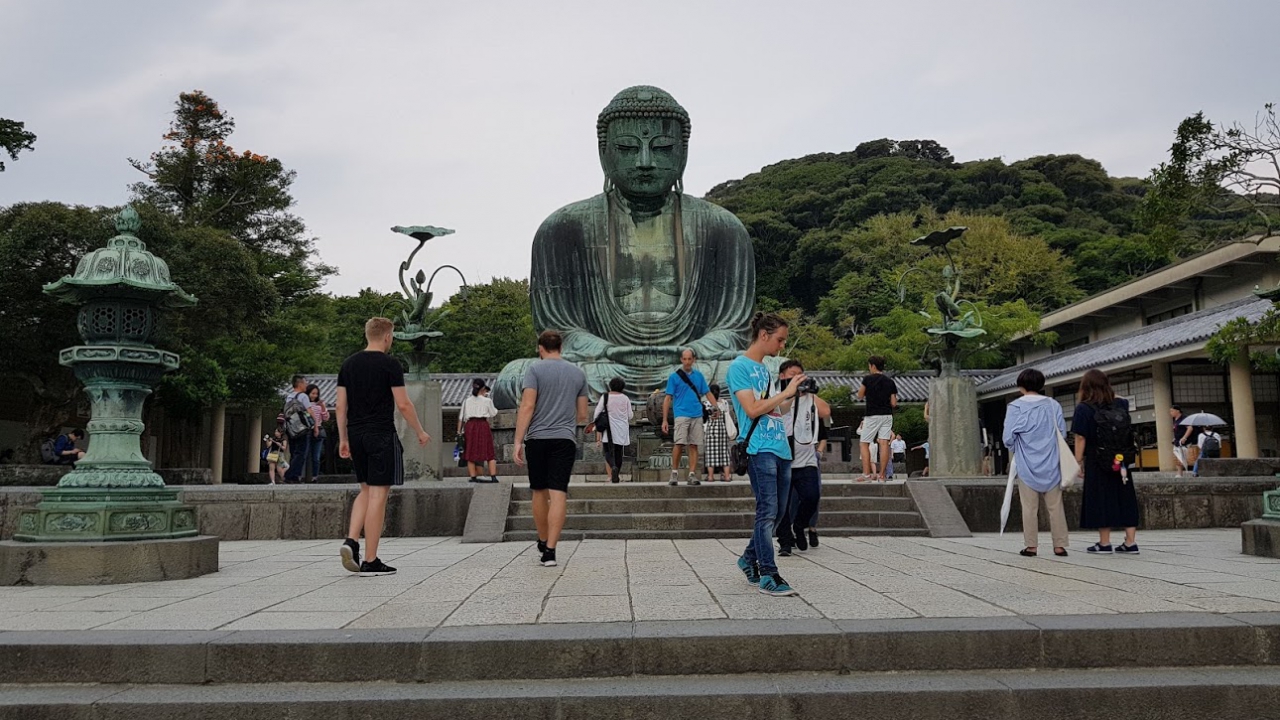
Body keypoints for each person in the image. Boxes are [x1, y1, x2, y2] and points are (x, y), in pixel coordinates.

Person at [337, 317, 432, 577]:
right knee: (379, 494)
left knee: (365, 489)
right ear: (388, 337)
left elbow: (340, 406)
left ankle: (351, 540)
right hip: (380, 433)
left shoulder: (348, 364)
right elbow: (403, 404)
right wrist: (420, 431)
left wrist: (343, 438)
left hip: (356, 433)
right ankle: (370, 559)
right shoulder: (390, 364)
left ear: (367, 334)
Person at [728, 312, 803, 597]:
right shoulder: (739, 367)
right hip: (759, 448)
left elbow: (776, 409)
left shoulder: (766, 370)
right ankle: (769, 574)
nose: (782, 346)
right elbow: (752, 409)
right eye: (779, 340)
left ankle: (748, 559)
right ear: (763, 335)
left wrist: (792, 393)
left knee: (779, 512)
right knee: (768, 511)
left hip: (780, 445)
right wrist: (784, 393)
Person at [513, 330, 590, 567]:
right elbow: (582, 414)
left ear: (540, 348)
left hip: (537, 438)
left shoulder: (534, 370)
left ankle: (543, 538)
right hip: (564, 439)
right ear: (561, 347)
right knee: (558, 493)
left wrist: (518, 441)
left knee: (539, 491)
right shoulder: (578, 373)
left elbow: (527, 406)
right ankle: (551, 551)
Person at [1003, 369, 1070, 558]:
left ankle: (1031, 546)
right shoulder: (1053, 405)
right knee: (1055, 506)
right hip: (1051, 461)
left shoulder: (1015, 407)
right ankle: (1060, 545)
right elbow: (1062, 433)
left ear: (1020, 386)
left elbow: (1008, 437)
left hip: (1026, 462)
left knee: (1029, 507)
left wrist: (1017, 447)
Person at [1072, 368, 1140, 555]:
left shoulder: (1084, 408)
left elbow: (1080, 437)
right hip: (1121, 458)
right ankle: (1130, 542)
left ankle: (1104, 543)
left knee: (1101, 497)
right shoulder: (1122, 403)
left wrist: (1078, 461)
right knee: (1125, 496)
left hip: (1097, 458)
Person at [775, 360, 831, 556]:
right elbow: (776, 410)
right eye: (793, 374)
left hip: (806, 459)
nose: (797, 378)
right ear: (782, 376)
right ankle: (785, 542)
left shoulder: (808, 397)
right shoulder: (777, 394)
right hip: (782, 458)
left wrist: (808, 391)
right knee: (782, 504)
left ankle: (800, 525)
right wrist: (790, 393)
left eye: (800, 374)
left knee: (811, 497)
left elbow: (826, 411)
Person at [662, 349, 715, 486]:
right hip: (681, 414)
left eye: (689, 359)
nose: (687, 362)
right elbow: (667, 398)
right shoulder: (674, 377)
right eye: (684, 359)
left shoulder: (699, 376)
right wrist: (664, 419)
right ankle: (674, 472)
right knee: (679, 443)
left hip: (696, 413)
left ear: (693, 360)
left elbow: (707, 392)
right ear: (681, 360)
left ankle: (691, 474)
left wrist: (716, 407)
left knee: (694, 444)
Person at [856, 356, 898, 481]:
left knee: (864, 443)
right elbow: (894, 403)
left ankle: (866, 474)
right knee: (884, 443)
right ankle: (882, 474)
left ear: (873, 366)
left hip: (872, 415)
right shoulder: (890, 382)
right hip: (887, 415)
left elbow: (860, 395)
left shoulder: (867, 379)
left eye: (869, 366)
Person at [589, 377, 634, 484]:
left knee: (608, 452)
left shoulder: (605, 397)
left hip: (608, 429)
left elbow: (597, 413)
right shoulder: (625, 398)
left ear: (610, 386)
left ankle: (613, 466)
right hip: (621, 430)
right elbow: (630, 415)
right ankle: (616, 474)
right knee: (618, 452)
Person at [459, 379, 500, 483]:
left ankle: (473, 476)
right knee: (489, 451)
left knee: (470, 451)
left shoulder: (466, 401)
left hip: (470, 426)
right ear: (483, 388)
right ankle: (493, 476)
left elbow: (461, 418)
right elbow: (493, 413)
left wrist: (459, 432)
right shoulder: (487, 401)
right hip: (482, 425)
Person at [702, 383, 736, 482]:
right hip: (722, 430)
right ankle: (727, 476)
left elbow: (704, 419)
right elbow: (727, 415)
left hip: (710, 431)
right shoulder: (724, 403)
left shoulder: (706, 404)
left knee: (710, 454)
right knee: (724, 453)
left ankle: (710, 476)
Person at [282, 375, 312, 484]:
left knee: (294, 452)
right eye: (305, 383)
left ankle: (293, 477)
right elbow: (309, 411)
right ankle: (290, 475)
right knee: (301, 452)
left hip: (291, 428)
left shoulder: (289, 397)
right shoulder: (303, 396)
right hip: (302, 428)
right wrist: (315, 424)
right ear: (300, 384)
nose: (306, 385)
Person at [306, 384, 330, 482]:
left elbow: (326, 418)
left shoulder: (320, 405)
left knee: (316, 456)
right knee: (305, 454)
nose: (314, 395)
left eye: (316, 394)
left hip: (319, 430)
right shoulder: (305, 404)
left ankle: (315, 476)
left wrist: (323, 407)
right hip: (307, 430)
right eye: (312, 393)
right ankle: (301, 476)